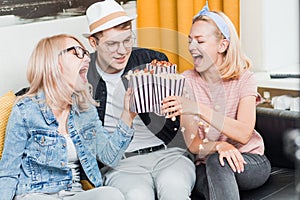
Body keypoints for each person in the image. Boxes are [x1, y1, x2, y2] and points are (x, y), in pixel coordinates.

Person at [0, 34, 136, 200]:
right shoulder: (25, 111)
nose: (86, 57)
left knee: (112, 195)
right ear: (53, 62)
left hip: (74, 194)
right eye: (78, 52)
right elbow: (8, 173)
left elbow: (109, 157)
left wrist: (127, 115)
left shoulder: (85, 110)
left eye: (86, 52)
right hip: (36, 194)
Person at [82, 0, 195, 199]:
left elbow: (173, 117)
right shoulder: (83, 73)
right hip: (121, 163)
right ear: (93, 42)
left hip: (167, 154)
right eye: (112, 44)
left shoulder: (151, 60)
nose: (122, 50)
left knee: (175, 190)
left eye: (127, 40)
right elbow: (42, 89)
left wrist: (170, 94)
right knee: (137, 195)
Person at [161, 5, 271, 200]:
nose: (191, 47)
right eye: (190, 40)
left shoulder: (244, 79)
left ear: (222, 45)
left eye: (200, 41)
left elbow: (244, 133)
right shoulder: (185, 81)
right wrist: (219, 146)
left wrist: (198, 108)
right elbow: (194, 145)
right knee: (215, 161)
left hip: (249, 162)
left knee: (218, 163)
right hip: (208, 165)